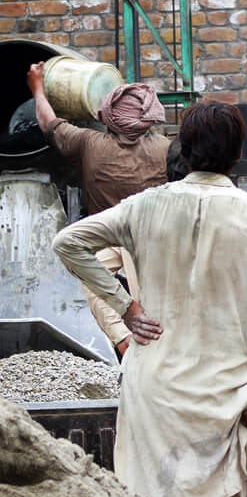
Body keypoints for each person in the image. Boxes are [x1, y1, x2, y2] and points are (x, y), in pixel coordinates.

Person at [52, 101, 247, 497]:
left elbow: (68, 242)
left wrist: (125, 306)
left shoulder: (141, 207)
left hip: (157, 394)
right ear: (238, 154)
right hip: (234, 397)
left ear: (183, 150)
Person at [27, 63, 171, 357]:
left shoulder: (88, 143)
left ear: (106, 118)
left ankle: (122, 338)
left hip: (107, 238)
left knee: (93, 278)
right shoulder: (167, 150)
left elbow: (48, 123)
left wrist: (38, 87)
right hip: (156, 240)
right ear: (149, 119)